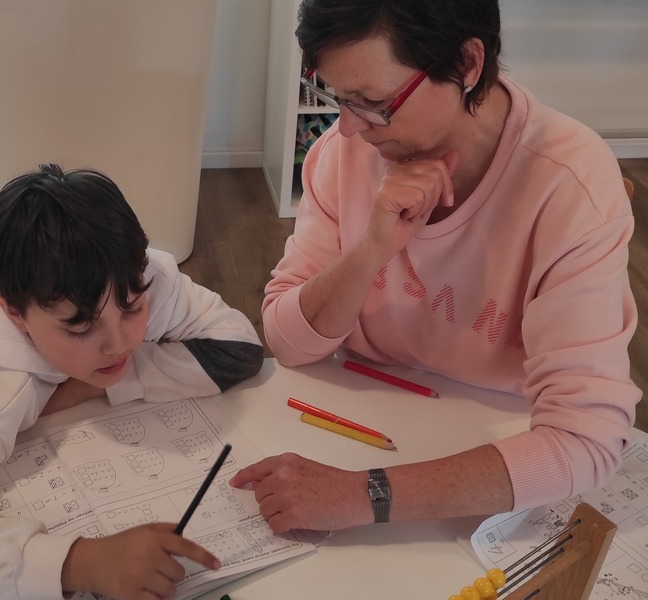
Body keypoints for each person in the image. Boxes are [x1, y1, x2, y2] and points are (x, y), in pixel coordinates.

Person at [231, 0, 640, 534]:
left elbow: (586, 439)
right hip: (362, 411)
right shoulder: (341, 155)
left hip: (500, 443)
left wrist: (364, 494)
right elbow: (288, 342)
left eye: (374, 102)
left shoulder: (569, 185)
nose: (348, 128)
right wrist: (371, 249)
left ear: (468, 64)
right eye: (337, 97)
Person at [0, 163, 265, 599]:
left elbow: (239, 348)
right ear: (14, 312)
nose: (121, 344)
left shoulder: (127, 276)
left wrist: (84, 387)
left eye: (132, 307)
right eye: (80, 326)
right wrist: (81, 563)